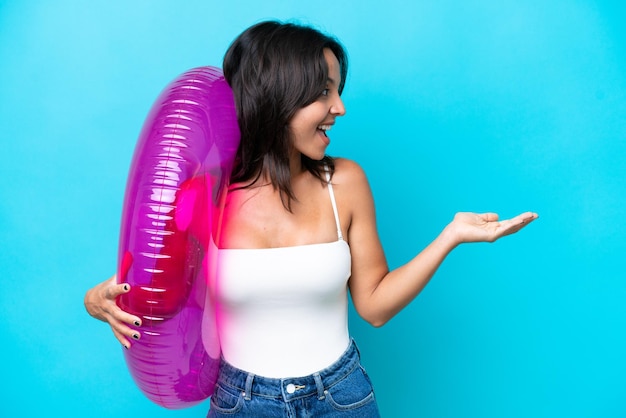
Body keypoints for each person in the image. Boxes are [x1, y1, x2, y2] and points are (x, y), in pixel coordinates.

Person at [84, 20, 538, 417]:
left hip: (340, 398)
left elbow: (374, 306)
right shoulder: (209, 195)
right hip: (240, 404)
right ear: (279, 97)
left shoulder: (345, 183)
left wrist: (450, 236)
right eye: (324, 92)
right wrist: (99, 301)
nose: (339, 107)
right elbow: (158, 291)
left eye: (338, 90)